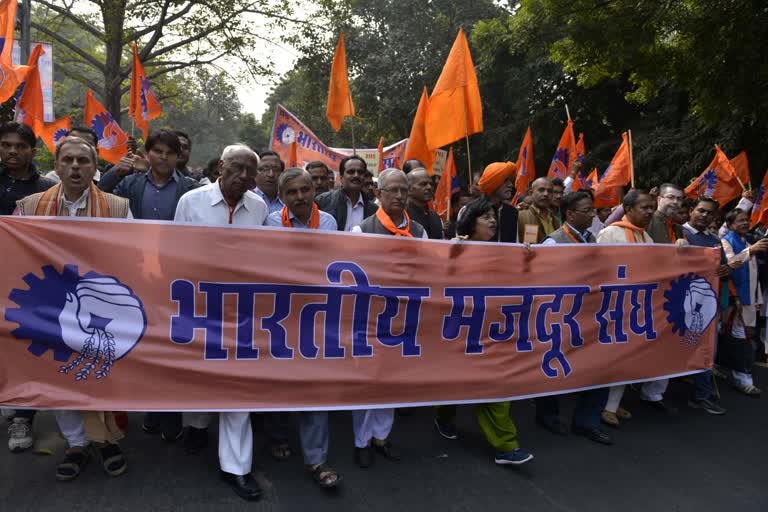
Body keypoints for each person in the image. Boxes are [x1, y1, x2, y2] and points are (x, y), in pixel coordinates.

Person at [14, 136, 131, 480]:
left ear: (96, 168)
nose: (76, 167)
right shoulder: (30, 206)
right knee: (58, 375)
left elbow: (131, 256)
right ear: (58, 164)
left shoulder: (118, 207)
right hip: (48, 309)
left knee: (99, 372)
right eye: (68, 160)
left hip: (101, 308)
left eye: (83, 161)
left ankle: (105, 439)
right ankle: (76, 443)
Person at [173, 144, 268, 501]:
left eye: (251, 172)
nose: (244, 177)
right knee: (197, 374)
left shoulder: (258, 208)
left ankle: (236, 467)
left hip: (244, 312)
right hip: (198, 307)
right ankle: (196, 425)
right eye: (238, 168)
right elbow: (174, 254)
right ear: (222, 166)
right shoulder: (191, 202)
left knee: (237, 387)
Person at [434, 196, 535, 465]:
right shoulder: (455, 249)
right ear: (470, 222)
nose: (492, 220)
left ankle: (506, 445)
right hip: (459, 330)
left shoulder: (506, 251)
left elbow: (523, 284)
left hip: (493, 333)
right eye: (485, 216)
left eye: (494, 215)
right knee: (454, 382)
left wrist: (526, 259)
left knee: (495, 384)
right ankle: (443, 414)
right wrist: (448, 254)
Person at [264, 169, 341, 488]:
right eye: (292, 192)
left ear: (315, 191)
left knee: (315, 385)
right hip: (278, 316)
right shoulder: (269, 223)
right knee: (280, 382)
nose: (299, 197)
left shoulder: (329, 223)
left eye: (305, 190)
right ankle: (279, 435)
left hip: (316, 315)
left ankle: (316, 459)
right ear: (282, 197)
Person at [347, 168, 424, 468]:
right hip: (369, 317)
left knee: (392, 380)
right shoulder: (362, 230)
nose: (399, 195)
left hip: (404, 316)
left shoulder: (418, 230)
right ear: (377, 194)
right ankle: (360, 441)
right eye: (391, 190)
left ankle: (381, 437)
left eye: (403, 190)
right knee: (367, 381)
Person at [537, 191, 613, 444]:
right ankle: (548, 416)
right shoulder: (554, 242)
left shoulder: (592, 239)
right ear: (570, 214)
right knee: (555, 368)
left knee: (599, 367)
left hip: (590, 315)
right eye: (587, 211)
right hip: (562, 315)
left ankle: (586, 422)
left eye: (593, 210)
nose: (593, 215)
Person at [596, 189, 655, 427]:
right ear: (628, 209)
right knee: (608, 357)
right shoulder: (610, 233)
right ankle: (600, 404)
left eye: (652, 207)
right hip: (610, 306)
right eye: (645, 207)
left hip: (634, 306)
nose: (650, 211)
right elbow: (598, 268)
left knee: (625, 357)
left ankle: (612, 405)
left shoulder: (647, 238)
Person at [680, 197, 729, 414]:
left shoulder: (714, 241)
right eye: (701, 211)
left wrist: (726, 271)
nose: (704, 215)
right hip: (677, 304)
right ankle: (651, 394)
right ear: (691, 210)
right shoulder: (677, 233)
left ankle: (701, 395)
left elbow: (725, 268)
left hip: (706, 306)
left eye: (709, 213)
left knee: (707, 349)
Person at [720, 208, 767, 396]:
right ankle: (742, 379)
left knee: (742, 338)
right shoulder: (725, 242)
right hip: (734, 301)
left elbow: (754, 276)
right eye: (740, 221)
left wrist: (757, 300)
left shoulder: (747, 242)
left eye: (746, 220)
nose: (745, 223)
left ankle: (738, 374)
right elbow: (729, 267)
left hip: (748, 301)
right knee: (739, 340)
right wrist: (751, 251)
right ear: (730, 224)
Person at [110, 130, 198, 222]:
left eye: (170, 153)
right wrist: (115, 173)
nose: (164, 157)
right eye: (158, 151)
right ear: (148, 153)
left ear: (177, 156)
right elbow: (103, 200)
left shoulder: (191, 189)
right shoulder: (129, 184)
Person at [0, 122, 55, 216]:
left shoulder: (49, 189)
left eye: (21, 146)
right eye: (6, 145)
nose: (12, 151)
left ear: (33, 153)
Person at [316, 155, 378, 231]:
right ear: (341, 178)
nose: (356, 175)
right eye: (351, 172)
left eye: (360, 172)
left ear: (364, 177)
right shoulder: (323, 201)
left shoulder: (374, 210)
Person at [476, 161, 519, 242]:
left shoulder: (513, 212)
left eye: (511, 181)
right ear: (492, 182)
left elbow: (515, 243)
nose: (511, 185)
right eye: (505, 181)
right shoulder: (470, 210)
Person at [518, 177, 560, 243]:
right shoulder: (521, 216)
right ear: (531, 193)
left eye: (550, 191)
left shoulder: (556, 221)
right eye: (541, 190)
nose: (546, 194)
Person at [407, 167, 443, 239]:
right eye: (423, 184)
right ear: (409, 189)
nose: (429, 187)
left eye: (431, 184)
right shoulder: (401, 216)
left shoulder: (435, 217)